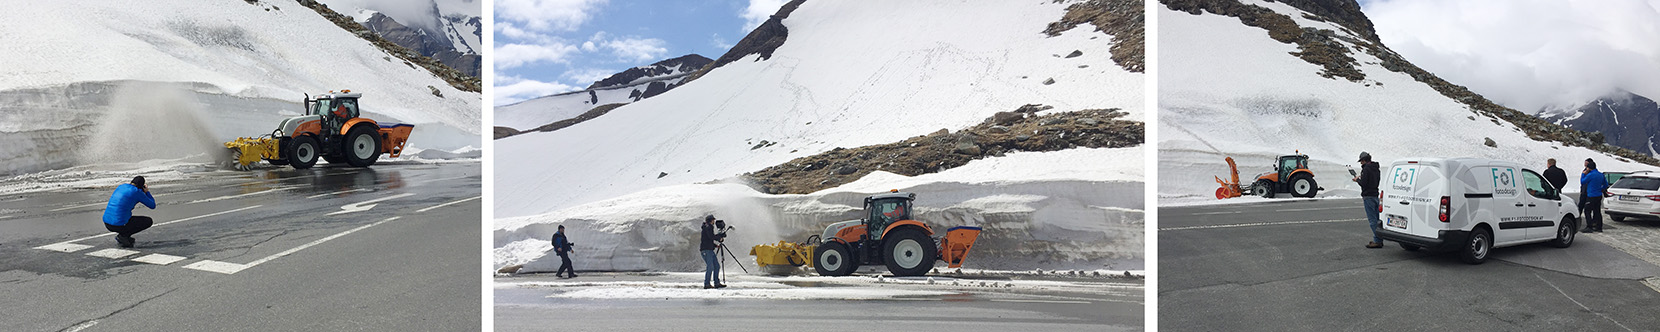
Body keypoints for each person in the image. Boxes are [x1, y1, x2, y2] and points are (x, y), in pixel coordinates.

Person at [103, 176, 157, 248]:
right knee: (148, 221)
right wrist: (147, 192)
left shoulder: (121, 186)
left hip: (107, 222)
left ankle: (124, 235)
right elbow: (152, 205)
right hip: (119, 224)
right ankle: (123, 236)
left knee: (124, 216)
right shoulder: (137, 192)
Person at [1352, 152, 1383, 248]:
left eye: (1361, 161)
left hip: (1368, 196)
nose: (1361, 163)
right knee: (1377, 219)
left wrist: (1357, 180)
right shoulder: (1376, 168)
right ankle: (1379, 239)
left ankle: (1378, 240)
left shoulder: (1366, 169)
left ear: (1364, 160)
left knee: (1372, 220)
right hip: (1375, 195)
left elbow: (1364, 184)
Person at [1581, 158, 1609, 233]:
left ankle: (1589, 226)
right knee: (1597, 211)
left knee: (1587, 210)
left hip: (1591, 195)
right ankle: (1599, 227)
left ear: (1589, 168)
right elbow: (1606, 184)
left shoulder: (1590, 175)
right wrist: (1600, 189)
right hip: (1598, 195)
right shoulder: (1601, 175)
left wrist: (1583, 174)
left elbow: (1582, 182)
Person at [700, 215, 727, 289]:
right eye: (713, 220)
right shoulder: (708, 227)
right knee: (710, 267)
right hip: (706, 250)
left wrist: (715, 245)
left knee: (716, 266)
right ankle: (707, 284)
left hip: (709, 249)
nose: (714, 222)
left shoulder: (707, 227)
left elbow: (708, 239)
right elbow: (711, 237)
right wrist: (719, 237)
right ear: (710, 220)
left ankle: (717, 282)